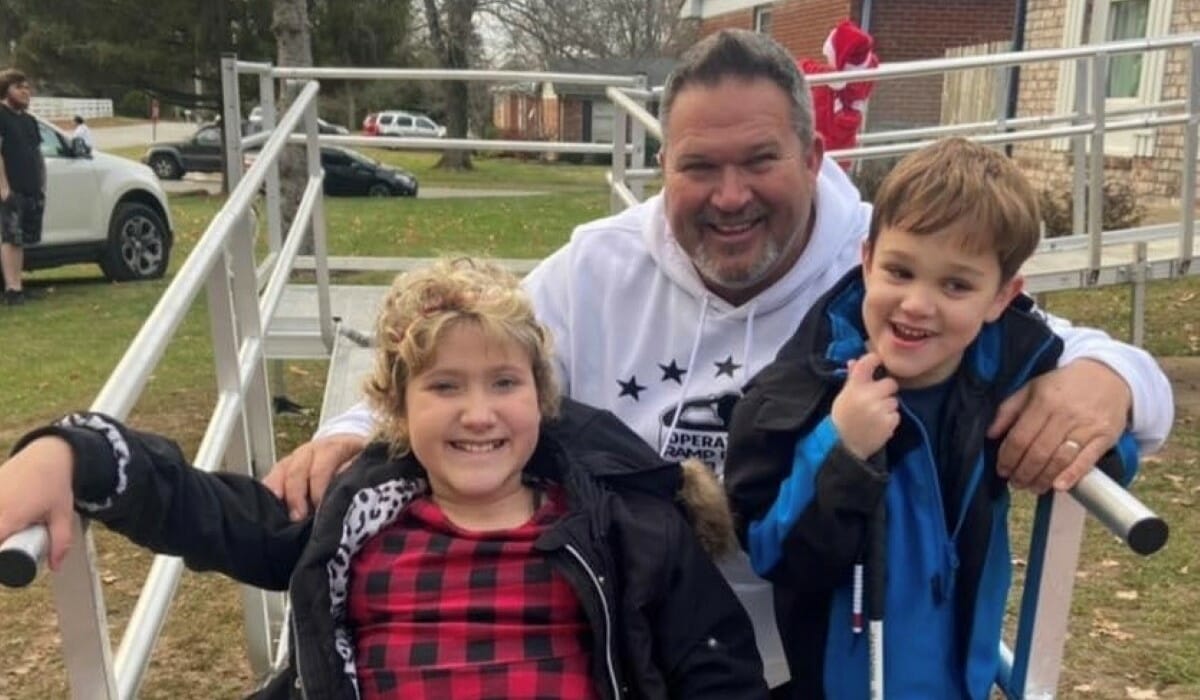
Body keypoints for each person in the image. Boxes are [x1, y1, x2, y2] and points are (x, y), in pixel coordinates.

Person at [263, 29, 1174, 692]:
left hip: (819, 656)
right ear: (665, 164)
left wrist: (1110, 380)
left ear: (817, 157)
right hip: (645, 643)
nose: (729, 196)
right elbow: (461, 345)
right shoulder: (595, 267)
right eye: (699, 166)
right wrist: (349, 431)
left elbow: (1036, 333)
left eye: (761, 161)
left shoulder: (889, 262)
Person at [0, 258, 768, 699]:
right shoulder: (351, 518)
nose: (478, 413)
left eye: (504, 382)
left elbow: (715, 668)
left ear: (542, 395)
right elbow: (207, 512)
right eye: (444, 387)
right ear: (396, 408)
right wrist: (75, 455)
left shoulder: (624, 526)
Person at [724, 138, 1147, 699]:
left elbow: (1100, 434)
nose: (918, 304)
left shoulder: (1008, 377)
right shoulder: (796, 396)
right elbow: (775, 552)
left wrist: (1091, 439)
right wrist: (840, 448)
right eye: (900, 271)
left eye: (956, 284)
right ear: (868, 260)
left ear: (1001, 296)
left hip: (959, 681)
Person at [0, 68, 46, 305]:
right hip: (11, 189)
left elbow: (38, 154)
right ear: (6, 90)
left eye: (27, 87)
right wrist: (3, 187)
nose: (25, 91)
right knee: (10, 237)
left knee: (21, 240)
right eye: (19, 87)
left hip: (31, 188)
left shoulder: (29, 121)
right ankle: (12, 289)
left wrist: (42, 184)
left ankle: (18, 285)